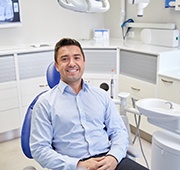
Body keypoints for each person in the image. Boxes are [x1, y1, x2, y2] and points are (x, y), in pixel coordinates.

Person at [30, 38, 149, 170]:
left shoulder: (101, 96)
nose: (71, 63)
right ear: (56, 66)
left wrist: (113, 157)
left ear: (83, 62)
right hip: (73, 165)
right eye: (64, 59)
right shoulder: (45, 103)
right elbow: (39, 149)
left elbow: (119, 131)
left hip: (108, 160)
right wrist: (79, 165)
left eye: (77, 57)